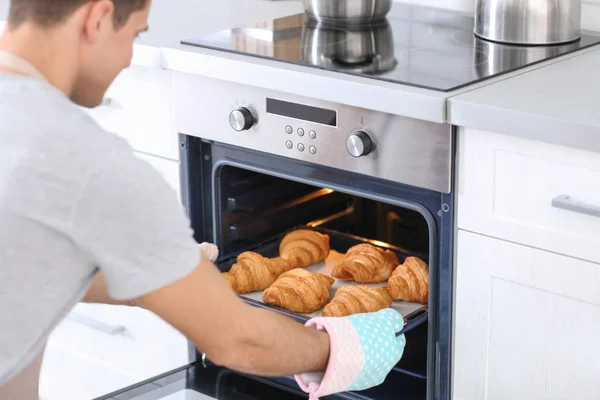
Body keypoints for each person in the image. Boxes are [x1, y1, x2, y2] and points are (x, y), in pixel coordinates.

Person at [0, 1, 406, 399]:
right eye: (136, 34)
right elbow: (239, 342)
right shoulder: (87, 160)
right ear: (99, 17)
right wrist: (337, 348)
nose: (128, 59)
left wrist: (154, 280)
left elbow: (27, 262)